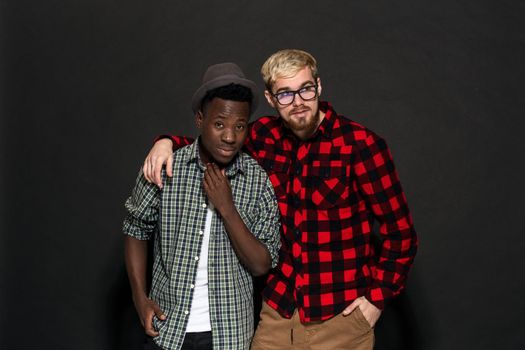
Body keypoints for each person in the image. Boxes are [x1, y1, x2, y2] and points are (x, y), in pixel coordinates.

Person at [143, 49, 418, 349]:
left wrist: (376, 300)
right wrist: (167, 142)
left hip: (340, 318)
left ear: (319, 87)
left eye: (305, 89)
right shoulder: (262, 137)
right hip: (278, 313)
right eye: (285, 94)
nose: (298, 101)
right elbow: (218, 142)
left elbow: (401, 234)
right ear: (272, 100)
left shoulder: (361, 145)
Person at [123, 62, 281, 350]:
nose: (230, 137)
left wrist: (227, 208)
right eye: (219, 124)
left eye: (240, 126)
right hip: (168, 329)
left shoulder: (256, 180)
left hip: (229, 335)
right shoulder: (166, 167)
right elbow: (135, 228)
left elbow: (261, 264)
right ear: (200, 119)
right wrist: (139, 298)